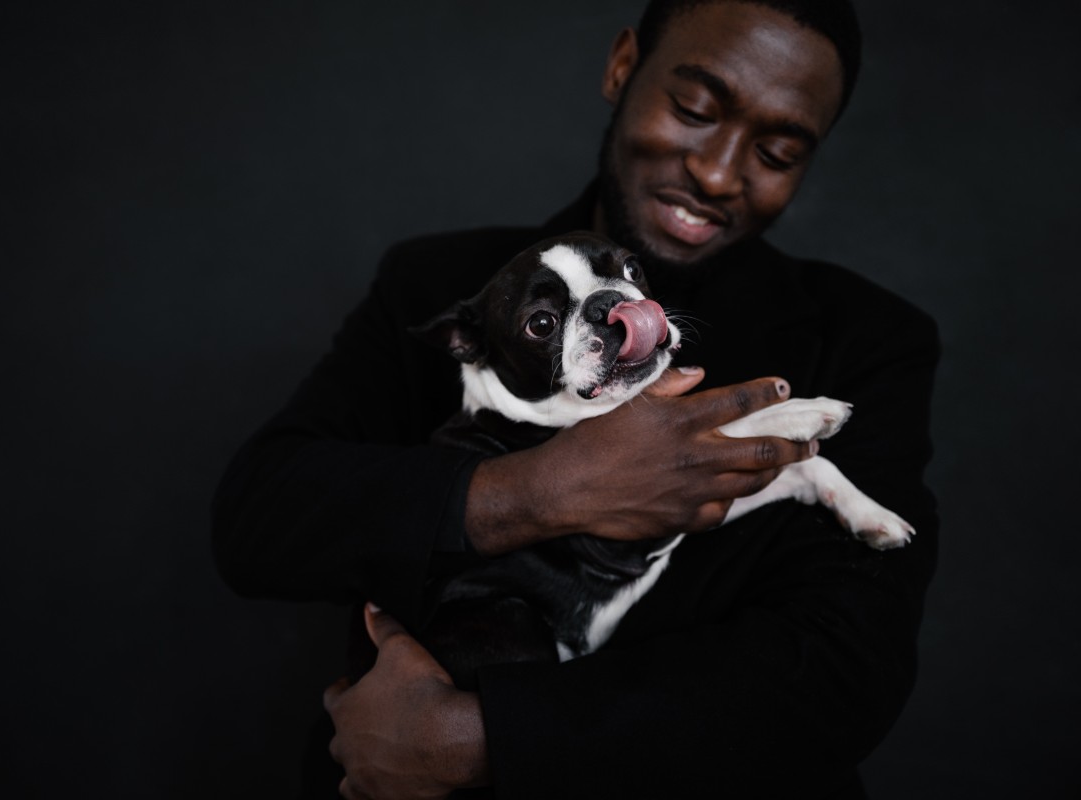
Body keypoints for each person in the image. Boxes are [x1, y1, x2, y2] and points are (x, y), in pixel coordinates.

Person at [211, 0, 939, 797]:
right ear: (622, 67)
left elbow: (845, 669)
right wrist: (534, 491)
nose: (720, 171)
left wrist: (484, 738)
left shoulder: (868, 339)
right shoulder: (437, 286)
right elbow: (259, 519)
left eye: (778, 149)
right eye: (694, 110)